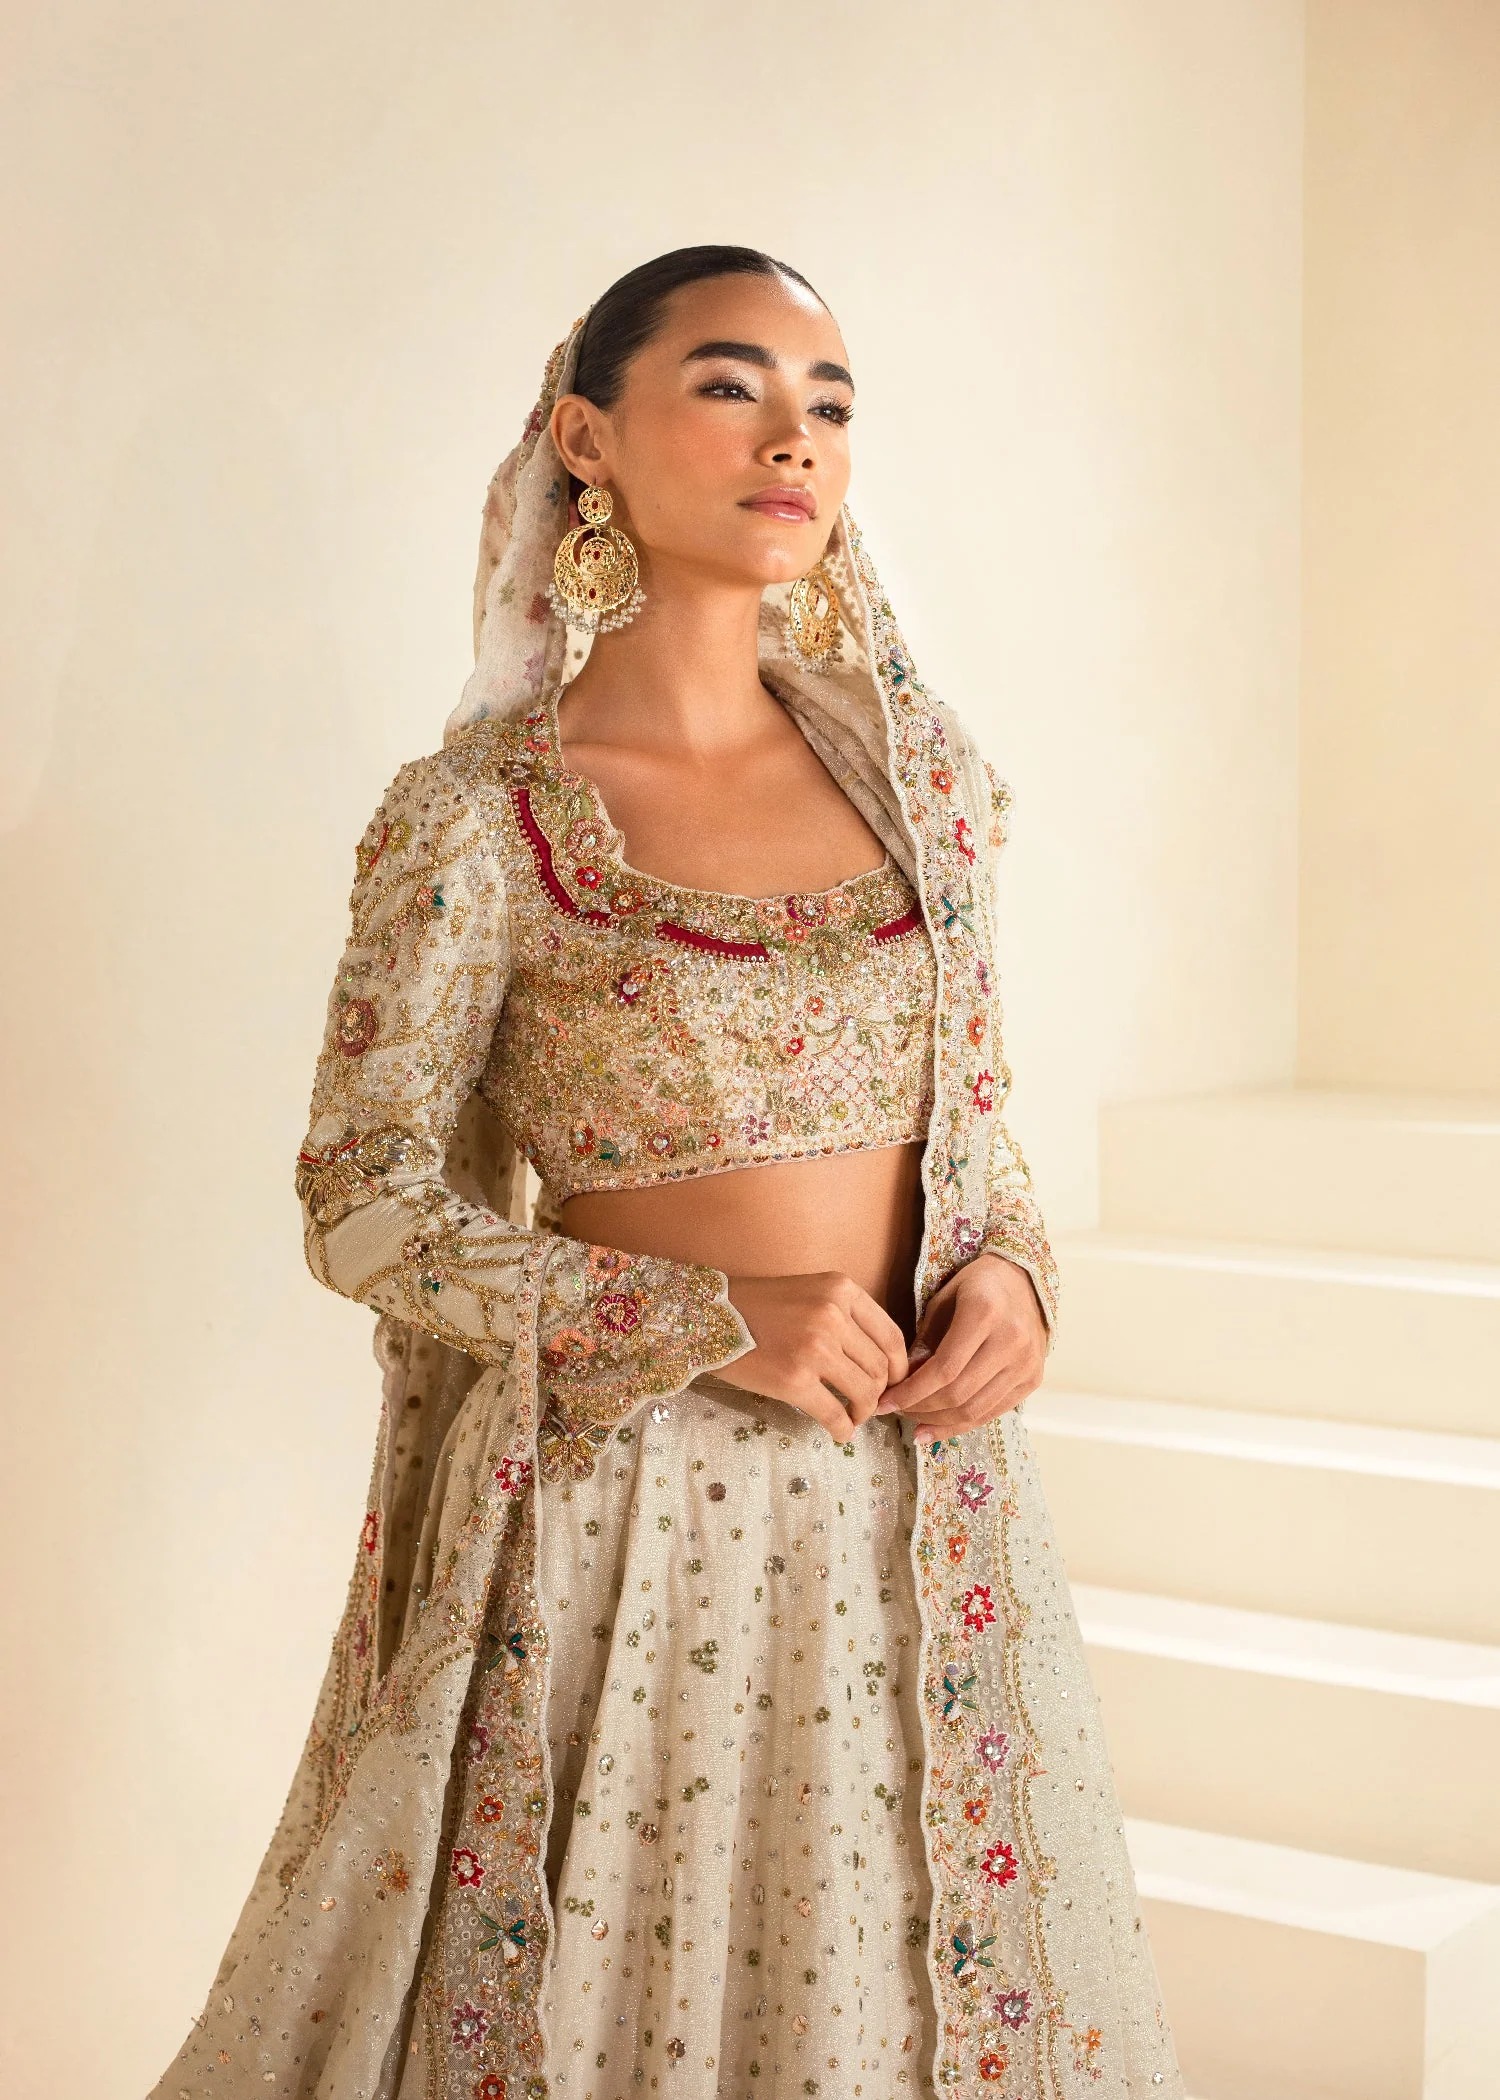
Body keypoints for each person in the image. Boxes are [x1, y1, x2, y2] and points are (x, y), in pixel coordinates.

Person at [147, 246, 1185, 2099]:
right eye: (730, 386)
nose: (796, 441)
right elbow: (363, 1198)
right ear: (585, 439)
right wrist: (701, 1316)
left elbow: (973, 1114)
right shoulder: (484, 820)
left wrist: (1013, 1267)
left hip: (919, 1504)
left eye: (831, 404)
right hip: (635, 1520)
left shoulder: (920, 782)